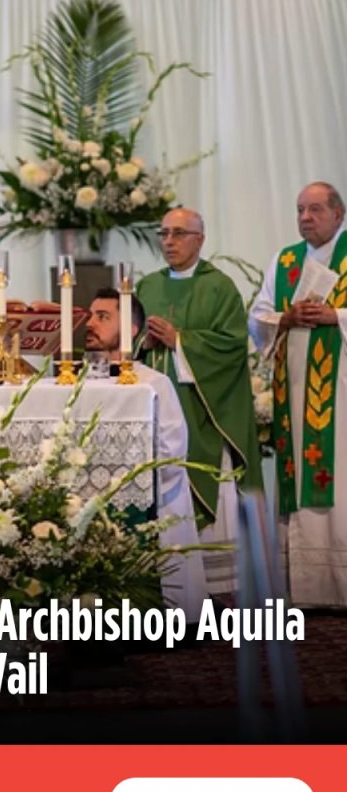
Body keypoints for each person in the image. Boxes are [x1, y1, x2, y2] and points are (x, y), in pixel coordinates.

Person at [136, 207, 263, 595]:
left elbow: (230, 348)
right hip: (158, 405)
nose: (169, 241)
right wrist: (144, 340)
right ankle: (170, 576)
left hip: (202, 407)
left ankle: (216, 581)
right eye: (164, 233)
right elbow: (129, 340)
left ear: (199, 239)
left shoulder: (219, 286)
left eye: (178, 233)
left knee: (204, 474)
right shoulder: (148, 286)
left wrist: (181, 341)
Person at [249, 181, 347, 606]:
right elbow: (257, 318)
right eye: (300, 210)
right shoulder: (286, 260)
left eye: (315, 210)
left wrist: (334, 315)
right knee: (301, 479)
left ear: (339, 214)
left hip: (341, 397)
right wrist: (284, 317)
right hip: (293, 393)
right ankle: (304, 586)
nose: (306, 218)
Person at [85, 288, 206, 617]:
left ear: (132, 330)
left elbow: (172, 449)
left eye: (103, 317)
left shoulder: (154, 383)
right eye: (91, 316)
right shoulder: (77, 382)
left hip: (146, 503)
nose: (91, 323)